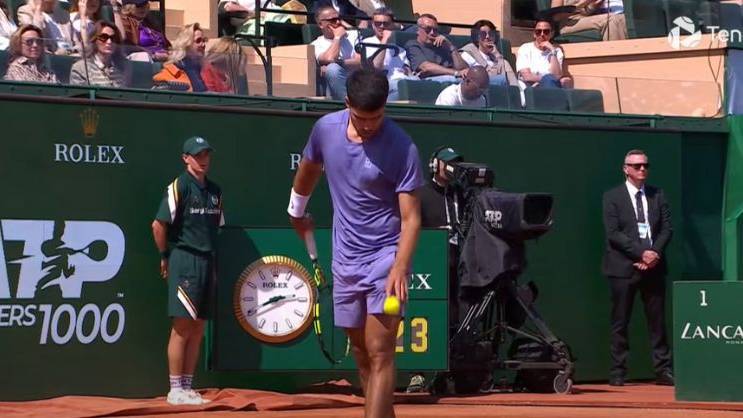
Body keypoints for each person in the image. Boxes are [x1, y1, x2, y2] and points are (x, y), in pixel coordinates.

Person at [288, 68, 423, 418]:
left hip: (385, 258)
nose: (369, 126)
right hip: (345, 259)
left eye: (376, 117)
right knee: (362, 355)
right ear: (347, 103)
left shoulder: (402, 146)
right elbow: (309, 167)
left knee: (380, 353)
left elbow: (411, 218)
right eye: (362, 118)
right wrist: (296, 210)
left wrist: (399, 266)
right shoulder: (325, 129)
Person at [152, 136, 224, 405]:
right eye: (197, 155)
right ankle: (174, 389)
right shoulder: (179, 186)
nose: (203, 160)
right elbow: (158, 225)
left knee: (198, 327)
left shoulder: (215, 191)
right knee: (182, 326)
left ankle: (187, 386)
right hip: (185, 260)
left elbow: (217, 228)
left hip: (207, 261)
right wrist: (165, 256)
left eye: (206, 154)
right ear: (186, 158)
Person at [602, 149, 673, 387]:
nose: (642, 169)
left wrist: (654, 254)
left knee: (657, 322)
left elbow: (666, 229)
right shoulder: (612, 197)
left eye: (645, 165)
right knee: (620, 321)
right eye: (636, 166)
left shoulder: (657, 194)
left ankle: (663, 370)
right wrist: (641, 253)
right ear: (626, 169)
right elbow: (614, 233)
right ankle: (618, 372)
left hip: (654, 267)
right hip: (623, 268)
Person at [405, 146, 464, 393]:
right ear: (434, 165)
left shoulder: (462, 194)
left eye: (455, 163)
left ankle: (451, 374)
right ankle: (417, 375)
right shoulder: (422, 194)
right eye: (447, 162)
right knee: (424, 317)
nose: (452, 167)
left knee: (456, 318)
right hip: (429, 268)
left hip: (460, 266)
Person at [362, 7, 414, 102]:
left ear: (392, 25)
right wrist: (385, 39)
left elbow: (408, 71)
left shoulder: (399, 49)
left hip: (403, 81)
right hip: (382, 85)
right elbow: (376, 67)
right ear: (373, 25)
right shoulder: (367, 43)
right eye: (378, 23)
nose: (382, 26)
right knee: (402, 86)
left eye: (385, 23)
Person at [311, 6, 361, 100]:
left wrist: (338, 62)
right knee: (332, 69)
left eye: (339, 18)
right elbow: (330, 58)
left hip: (356, 82)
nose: (338, 22)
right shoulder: (316, 44)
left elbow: (360, 61)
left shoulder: (354, 35)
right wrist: (337, 37)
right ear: (321, 24)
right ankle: (350, 104)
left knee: (331, 67)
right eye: (333, 20)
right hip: (334, 89)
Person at [404, 13, 469, 83]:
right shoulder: (413, 45)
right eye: (428, 29)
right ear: (418, 30)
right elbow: (425, 67)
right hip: (431, 82)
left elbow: (464, 69)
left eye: (435, 30)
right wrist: (456, 73)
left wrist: (451, 47)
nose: (432, 33)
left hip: (453, 78)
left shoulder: (442, 45)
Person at [516, 19, 572, 89]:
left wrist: (553, 52)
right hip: (530, 87)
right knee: (549, 80)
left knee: (564, 81)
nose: (542, 34)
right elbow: (527, 77)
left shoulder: (556, 51)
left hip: (550, 86)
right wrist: (546, 79)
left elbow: (557, 76)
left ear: (551, 34)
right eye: (538, 32)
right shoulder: (525, 48)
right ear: (534, 34)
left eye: (546, 32)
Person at [70, 21, 128, 87]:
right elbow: (78, 93)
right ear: (94, 40)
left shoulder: (122, 68)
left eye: (113, 38)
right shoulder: (80, 68)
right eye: (104, 37)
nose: (109, 42)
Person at [460, 19, 517, 87]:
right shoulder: (469, 53)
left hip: (502, 89)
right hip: (482, 88)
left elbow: (512, 80)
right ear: (476, 38)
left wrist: (497, 55)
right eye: (483, 34)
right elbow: (486, 75)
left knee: (505, 63)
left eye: (491, 34)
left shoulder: (497, 57)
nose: (487, 37)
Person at [153, 23, 207, 92]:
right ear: (186, 44)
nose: (203, 44)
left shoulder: (202, 70)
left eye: (204, 40)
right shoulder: (170, 72)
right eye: (198, 41)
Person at [550, 0, 627, 41]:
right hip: (566, 23)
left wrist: (592, 6)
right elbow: (555, 16)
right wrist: (585, 2)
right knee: (611, 19)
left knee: (619, 18)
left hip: (585, 19)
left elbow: (585, 12)